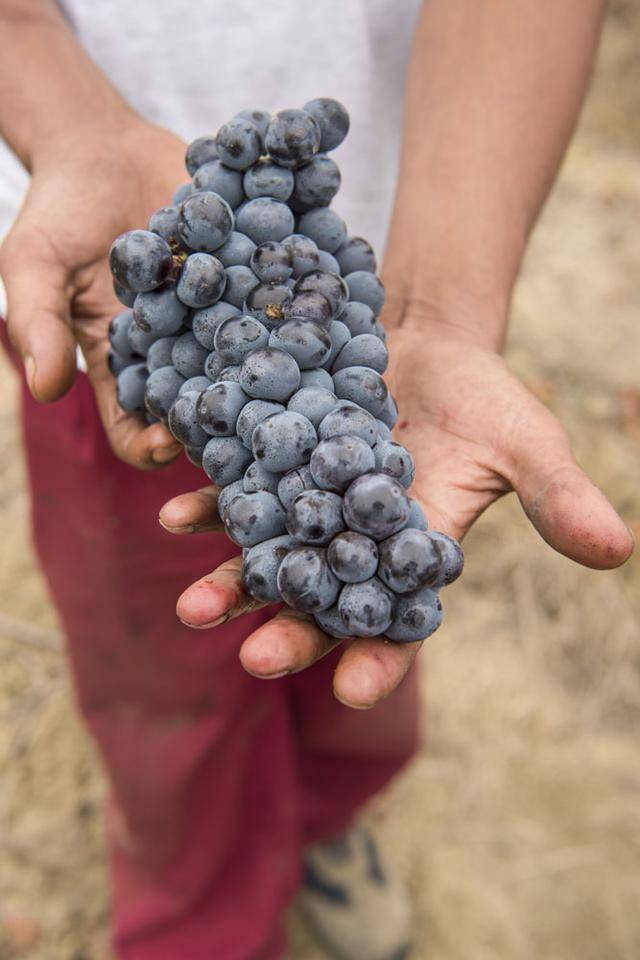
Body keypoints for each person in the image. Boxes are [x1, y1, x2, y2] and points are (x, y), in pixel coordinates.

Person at [0, 1, 632, 958]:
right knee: (164, 702)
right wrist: (66, 123)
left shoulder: (344, 415)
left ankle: (326, 829)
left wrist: (449, 304)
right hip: (107, 300)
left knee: (350, 675)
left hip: (362, 294)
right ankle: (199, 913)